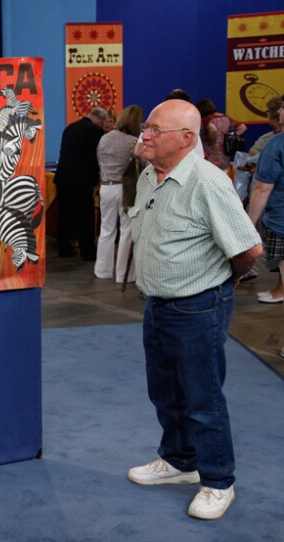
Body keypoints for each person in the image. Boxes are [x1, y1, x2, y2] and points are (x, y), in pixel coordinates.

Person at [126, 99, 262, 520]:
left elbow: (249, 249)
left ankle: (218, 481)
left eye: (154, 130)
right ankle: (180, 461)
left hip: (198, 306)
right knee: (164, 391)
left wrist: (225, 282)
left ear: (186, 139)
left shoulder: (208, 182)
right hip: (158, 305)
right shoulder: (150, 174)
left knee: (202, 399)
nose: (144, 135)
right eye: (145, 127)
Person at [94, 105, 143, 282]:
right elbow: (142, 165)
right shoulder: (133, 142)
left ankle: (102, 270)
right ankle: (124, 275)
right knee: (126, 230)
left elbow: (99, 162)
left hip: (106, 187)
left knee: (106, 229)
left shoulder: (104, 139)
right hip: (125, 188)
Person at [53, 107, 107, 260]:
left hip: (63, 177)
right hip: (81, 180)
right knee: (85, 217)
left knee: (64, 216)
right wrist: (95, 181)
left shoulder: (70, 128)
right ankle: (87, 251)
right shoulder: (95, 131)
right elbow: (93, 159)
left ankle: (64, 248)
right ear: (100, 121)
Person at [248, 97, 284, 303]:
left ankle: (281, 291)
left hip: (279, 214)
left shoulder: (276, 144)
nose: (280, 112)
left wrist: (249, 222)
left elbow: (262, 188)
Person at [196, 98, 247, 170]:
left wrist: (213, 143)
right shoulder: (226, 118)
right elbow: (242, 127)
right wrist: (231, 137)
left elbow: (213, 130)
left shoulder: (206, 119)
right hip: (224, 151)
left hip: (210, 152)